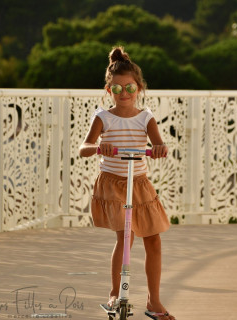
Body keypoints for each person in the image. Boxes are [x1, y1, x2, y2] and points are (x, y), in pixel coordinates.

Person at [79, 46, 175, 320]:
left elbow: (159, 145)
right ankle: (115, 294)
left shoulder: (146, 117)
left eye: (129, 88)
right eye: (117, 89)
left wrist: (159, 148)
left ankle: (154, 302)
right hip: (113, 183)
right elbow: (83, 147)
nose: (124, 94)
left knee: (154, 240)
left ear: (139, 88)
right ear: (109, 91)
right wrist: (99, 146)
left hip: (139, 182)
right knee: (126, 236)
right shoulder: (103, 117)